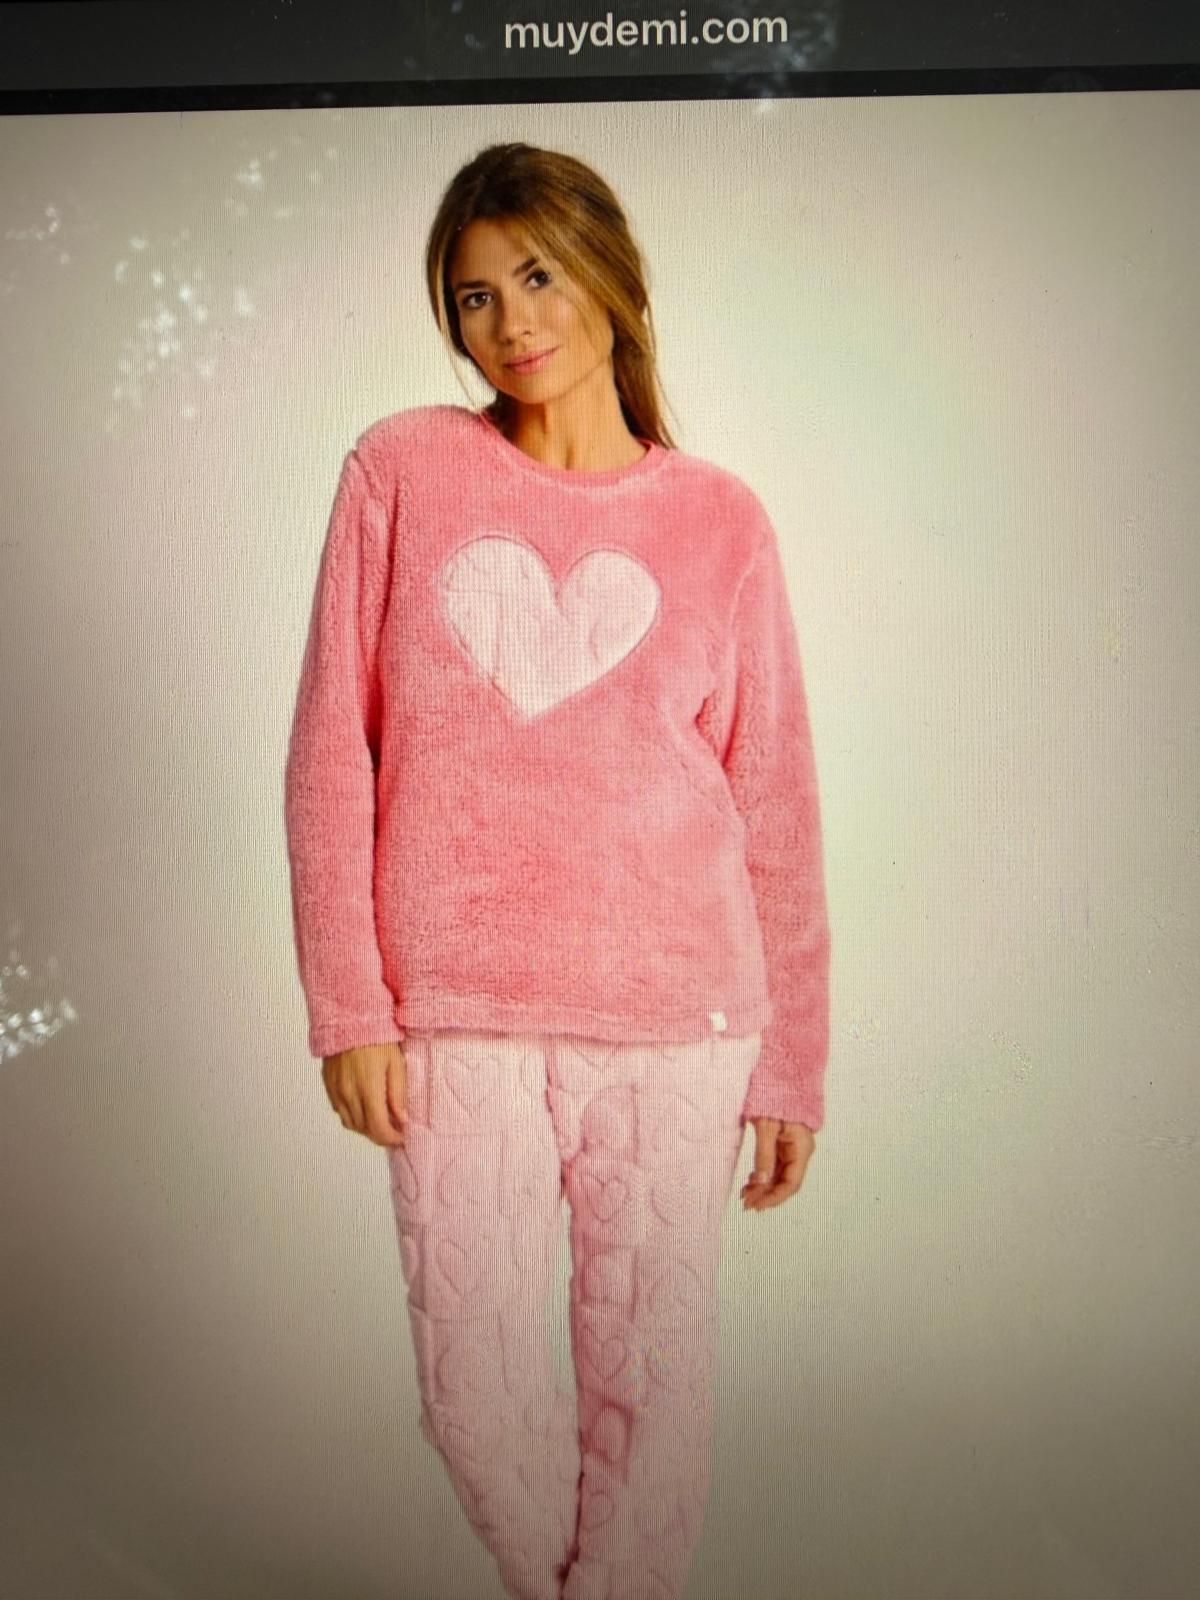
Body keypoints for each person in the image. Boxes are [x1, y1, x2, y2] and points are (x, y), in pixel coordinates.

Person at [284, 141, 830, 1600]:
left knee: (652, 1395)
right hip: (456, 1011)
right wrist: (350, 1005)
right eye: (475, 296)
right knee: (472, 1394)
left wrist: (792, 1063)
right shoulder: (402, 471)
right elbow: (333, 747)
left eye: (536, 275)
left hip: (679, 1017)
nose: (512, 321)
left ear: (609, 276)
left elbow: (774, 801)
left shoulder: (720, 520)